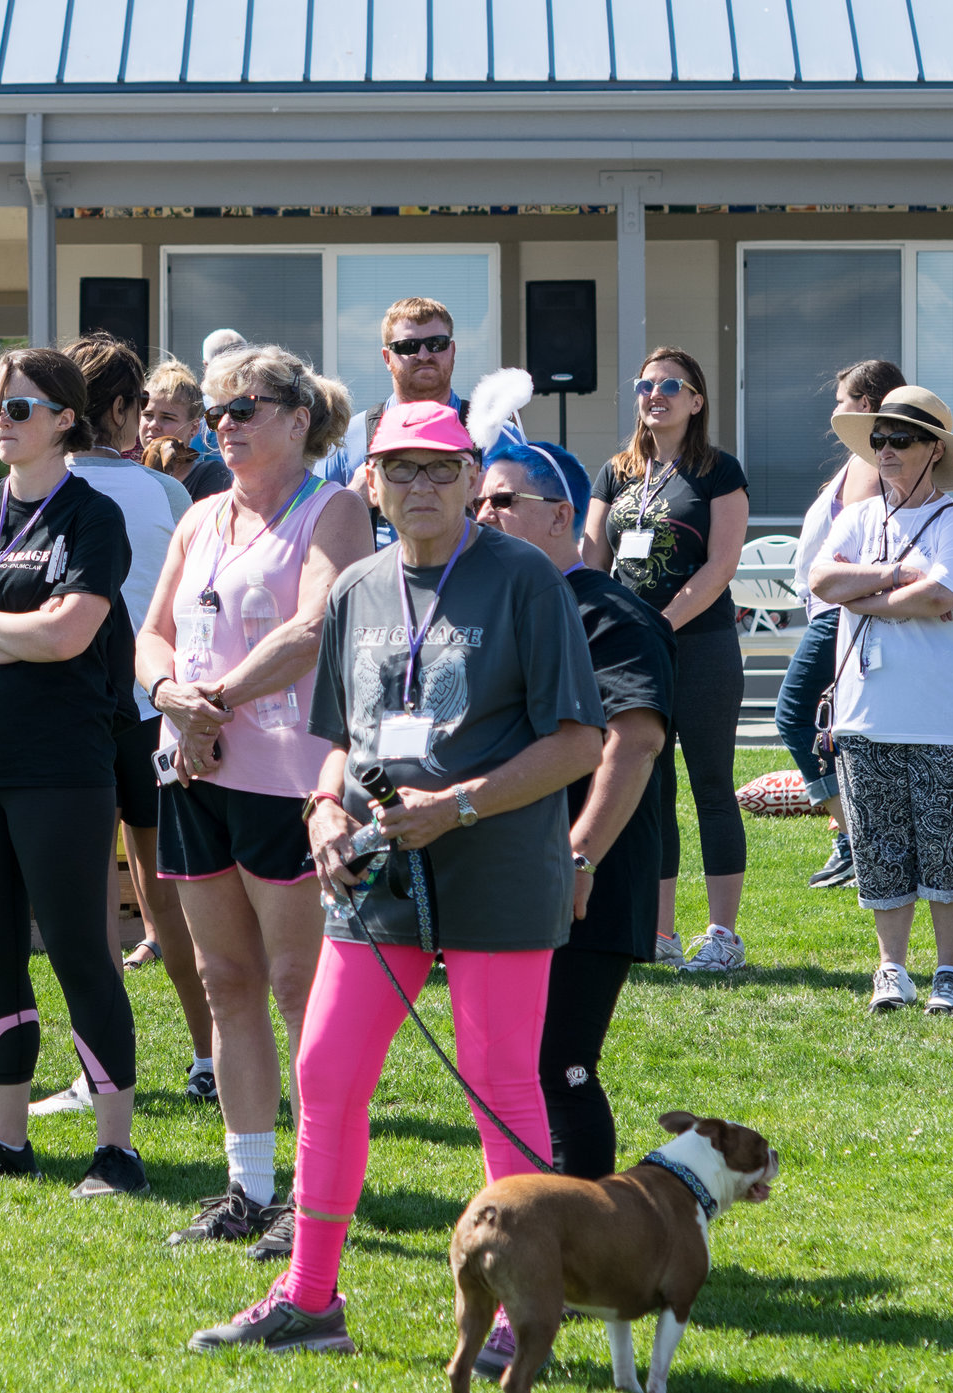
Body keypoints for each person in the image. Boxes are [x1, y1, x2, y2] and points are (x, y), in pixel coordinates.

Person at [189, 399, 604, 1356]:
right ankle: (310, 1298)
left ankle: (521, 1305)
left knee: (500, 1086)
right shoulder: (358, 588)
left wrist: (456, 807)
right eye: (400, 469)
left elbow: (579, 741)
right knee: (326, 1070)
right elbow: (337, 742)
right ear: (369, 483)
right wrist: (323, 809)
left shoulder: (525, 583)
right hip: (376, 876)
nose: (421, 485)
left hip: (497, 865)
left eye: (440, 468)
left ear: (470, 481)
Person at [137, 343, 371, 1249]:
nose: (222, 424)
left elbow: (316, 627)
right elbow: (150, 635)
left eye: (244, 409)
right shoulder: (200, 517)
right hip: (194, 774)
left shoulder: (334, 508)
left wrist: (213, 703)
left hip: (286, 779)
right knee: (224, 979)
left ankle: (316, 1193)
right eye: (217, 411)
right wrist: (171, 701)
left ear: (298, 417)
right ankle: (249, 1186)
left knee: (295, 983)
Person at [0, 346, 148, 1197]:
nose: (0, 424)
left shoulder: (92, 517)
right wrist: (16, 629)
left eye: (19, 408)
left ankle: (115, 1147)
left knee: (82, 949)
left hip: (62, 767)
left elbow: (69, 637)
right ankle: (6, 1139)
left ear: (65, 420)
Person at [475, 442, 672, 1168]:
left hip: (588, 877)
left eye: (503, 501)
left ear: (562, 515)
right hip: (510, 873)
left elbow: (636, 741)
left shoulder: (610, 611)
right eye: (479, 503)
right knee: (510, 1065)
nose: (484, 515)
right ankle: (540, 1231)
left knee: (561, 1062)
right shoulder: (503, 606)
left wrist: (580, 854)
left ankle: (586, 1243)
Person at [28, 331, 207, 1119]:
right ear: (128, 409)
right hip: (149, 712)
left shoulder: (39, 485)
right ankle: (209, 1057)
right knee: (171, 900)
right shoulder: (166, 494)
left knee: (91, 906)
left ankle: (97, 1071)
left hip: (67, 714)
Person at [807, 388, 953, 1014]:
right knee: (878, 848)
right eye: (878, 439)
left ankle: (948, 972)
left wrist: (864, 597)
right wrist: (892, 578)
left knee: (945, 844)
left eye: (900, 439)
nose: (884, 450)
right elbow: (822, 580)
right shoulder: (856, 517)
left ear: (933, 450)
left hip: (945, 715)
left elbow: (940, 598)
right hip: (864, 714)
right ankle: (891, 970)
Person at [582, 347, 752, 974]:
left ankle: (722, 936)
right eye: (646, 384)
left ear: (697, 401)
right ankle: (660, 934)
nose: (656, 394)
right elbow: (593, 559)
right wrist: (610, 628)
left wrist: (656, 624)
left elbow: (721, 567)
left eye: (672, 385)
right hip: (631, 658)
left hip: (701, 647)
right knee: (647, 791)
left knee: (711, 786)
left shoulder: (718, 471)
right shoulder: (617, 471)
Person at [779, 359, 903, 890]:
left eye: (843, 399)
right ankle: (857, 837)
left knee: (792, 715)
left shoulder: (878, 465)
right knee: (836, 732)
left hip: (842, 614)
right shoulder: (857, 462)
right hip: (828, 610)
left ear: (868, 405)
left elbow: (867, 550)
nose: (834, 410)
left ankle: (862, 839)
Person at [311, 296, 527, 497]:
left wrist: (488, 496)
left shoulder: (498, 436)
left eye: (436, 344)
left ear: (452, 351)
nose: (424, 356)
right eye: (408, 346)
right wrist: (354, 497)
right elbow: (313, 522)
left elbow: (529, 521)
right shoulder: (349, 439)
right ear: (387, 358)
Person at [141, 359, 232, 501]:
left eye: (167, 418)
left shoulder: (211, 474)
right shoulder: (130, 472)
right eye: (147, 415)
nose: (153, 424)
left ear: (194, 427)